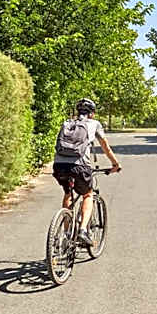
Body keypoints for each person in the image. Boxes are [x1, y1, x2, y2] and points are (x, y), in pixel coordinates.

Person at [52, 98, 121, 246]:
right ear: (92, 114)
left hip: (59, 165)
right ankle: (83, 230)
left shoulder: (68, 123)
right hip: (80, 166)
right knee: (88, 194)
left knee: (68, 193)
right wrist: (115, 164)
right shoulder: (94, 124)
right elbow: (105, 147)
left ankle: (66, 233)